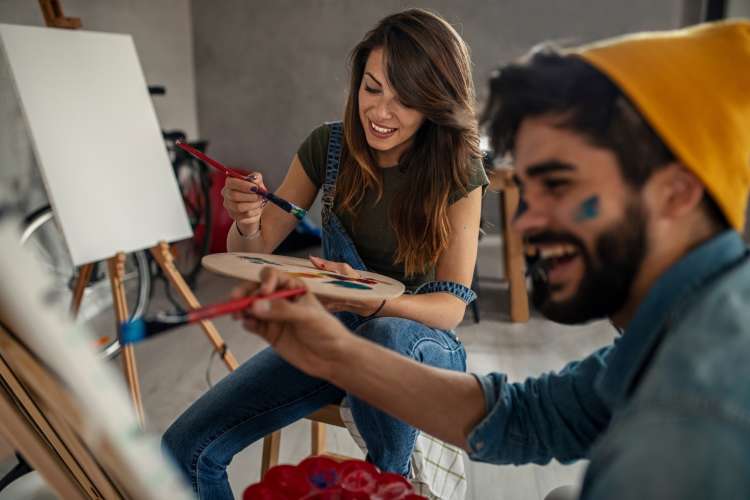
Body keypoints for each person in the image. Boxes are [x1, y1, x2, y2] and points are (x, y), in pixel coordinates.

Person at [234, 20, 750, 499]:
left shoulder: (703, 409)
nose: (524, 223)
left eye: (560, 185)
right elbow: (527, 419)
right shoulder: (676, 333)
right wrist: (334, 353)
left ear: (675, 194)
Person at [162, 8, 488, 498]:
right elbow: (251, 253)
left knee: (384, 333)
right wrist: (248, 221)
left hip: (422, 349)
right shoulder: (328, 148)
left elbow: (450, 308)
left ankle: (387, 485)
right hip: (334, 335)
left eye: (405, 100)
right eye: (372, 88)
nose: (380, 113)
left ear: (435, 103)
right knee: (185, 449)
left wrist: (368, 300)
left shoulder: (459, 168)